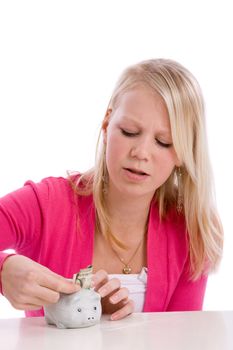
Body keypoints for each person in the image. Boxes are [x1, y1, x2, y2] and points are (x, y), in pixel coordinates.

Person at [0, 58, 223, 321]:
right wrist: (3, 271)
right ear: (107, 126)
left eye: (163, 142)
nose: (140, 153)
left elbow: (181, 341)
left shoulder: (191, 233)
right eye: (129, 132)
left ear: (183, 154)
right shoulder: (46, 204)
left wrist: (109, 327)